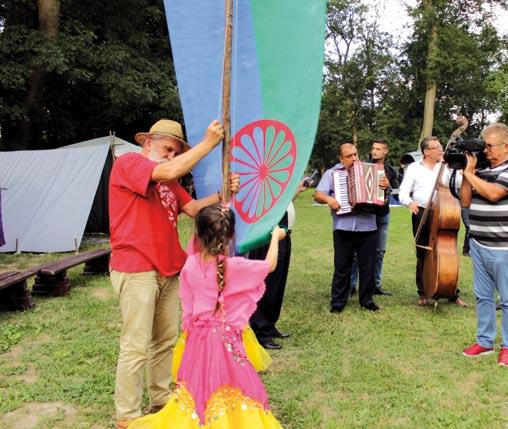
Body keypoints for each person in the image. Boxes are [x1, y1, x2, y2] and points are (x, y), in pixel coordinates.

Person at [109, 119, 240, 427]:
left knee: (165, 340)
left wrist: (222, 195)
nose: (169, 157)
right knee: (135, 345)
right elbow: (168, 170)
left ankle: (160, 399)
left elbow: (195, 209)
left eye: (174, 152)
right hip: (136, 266)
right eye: (167, 149)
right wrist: (208, 144)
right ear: (147, 143)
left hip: (168, 267)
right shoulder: (129, 163)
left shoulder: (168, 180)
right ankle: (127, 416)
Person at [128, 204, 285, 428]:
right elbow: (269, 266)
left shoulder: (190, 265)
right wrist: (275, 238)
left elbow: (189, 309)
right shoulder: (235, 266)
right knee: (235, 382)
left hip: (197, 340)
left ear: (198, 234)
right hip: (226, 340)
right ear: (231, 235)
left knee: (199, 386)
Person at [460, 122, 508, 367]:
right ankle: (484, 341)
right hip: (478, 244)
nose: (485, 150)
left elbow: (494, 194)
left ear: (506, 147)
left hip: (502, 248)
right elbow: (466, 201)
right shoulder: (481, 172)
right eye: (483, 145)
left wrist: (469, 173)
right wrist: (467, 173)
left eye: (489, 146)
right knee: (483, 297)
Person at [314, 143, 386, 313]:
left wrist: (384, 185)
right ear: (341, 159)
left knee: (368, 265)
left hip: (368, 226)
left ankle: (367, 300)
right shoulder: (333, 174)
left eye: (355, 154)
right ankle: (338, 302)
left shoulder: (373, 170)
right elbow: (317, 194)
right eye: (349, 156)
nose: (354, 158)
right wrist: (329, 200)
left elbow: (381, 195)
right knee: (342, 266)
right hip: (343, 227)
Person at [398, 136, 466, 307]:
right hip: (421, 211)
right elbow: (403, 192)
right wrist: (409, 202)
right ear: (426, 151)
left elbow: (457, 182)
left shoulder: (445, 166)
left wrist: (459, 170)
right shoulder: (414, 168)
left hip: (444, 211)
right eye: (436, 147)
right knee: (422, 253)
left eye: (440, 146)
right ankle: (423, 292)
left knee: (447, 251)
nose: (441, 149)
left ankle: (452, 292)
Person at [249, 182, 308, 350]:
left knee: (278, 284)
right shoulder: (261, 185)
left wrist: (295, 191)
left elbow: (282, 203)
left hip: (283, 236)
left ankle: (269, 324)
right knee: (268, 285)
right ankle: (260, 331)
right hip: (268, 239)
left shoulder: (276, 184)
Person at [349, 140, 400, 296]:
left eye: (378, 149)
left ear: (386, 152)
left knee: (379, 251)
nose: (375, 151)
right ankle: (351, 285)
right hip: (365, 214)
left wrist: (388, 186)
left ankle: (375, 285)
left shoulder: (391, 171)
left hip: (383, 215)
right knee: (358, 252)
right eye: (373, 148)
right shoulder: (362, 167)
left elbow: (397, 194)